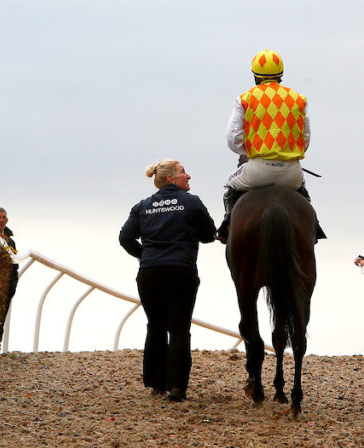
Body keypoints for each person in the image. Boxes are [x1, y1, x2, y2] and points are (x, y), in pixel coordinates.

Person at [119, 159, 216, 402]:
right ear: (171, 178)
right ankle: (177, 387)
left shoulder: (142, 206)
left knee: (155, 326)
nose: (188, 176)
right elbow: (209, 234)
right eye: (183, 172)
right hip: (180, 270)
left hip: (150, 272)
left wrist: (146, 255)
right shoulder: (191, 202)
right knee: (179, 328)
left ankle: (156, 383)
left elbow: (125, 237)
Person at [216, 48, 325, 243]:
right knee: (302, 189)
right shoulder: (299, 99)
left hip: (257, 170)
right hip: (291, 173)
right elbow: (305, 138)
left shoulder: (244, 99)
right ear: (281, 74)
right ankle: (314, 227)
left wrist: (251, 151)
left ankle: (226, 227)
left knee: (229, 186)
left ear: (255, 75)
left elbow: (233, 139)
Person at [0, 207, 19, 354]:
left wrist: (12, 287)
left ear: (6, 220)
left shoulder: (11, 243)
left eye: (3, 218)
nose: (1, 220)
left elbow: (15, 266)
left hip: (5, 288)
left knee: (0, 319)